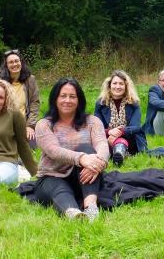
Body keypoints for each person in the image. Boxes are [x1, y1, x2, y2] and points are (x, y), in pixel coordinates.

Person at [33, 78, 109, 221]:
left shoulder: (93, 121)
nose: (67, 100)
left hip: (86, 177)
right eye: (63, 96)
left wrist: (99, 163)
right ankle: (73, 213)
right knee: (58, 186)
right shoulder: (44, 125)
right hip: (51, 177)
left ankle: (91, 208)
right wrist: (81, 159)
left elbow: (102, 145)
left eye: (72, 96)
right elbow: (53, 151)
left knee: (86, 147)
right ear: (55, 98)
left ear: (79, 100)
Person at [94, 69, 148, 166]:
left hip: (130, 138)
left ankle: (118, 152)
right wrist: (109, 132)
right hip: (107, 138)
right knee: (99, 142)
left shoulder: (134, 103)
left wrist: (119, 132)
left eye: (121, 84)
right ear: (109, 85)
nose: (118, 86)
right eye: (115, 83)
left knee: (128, 137)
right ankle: (120, 153)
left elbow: (135, 126)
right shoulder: (100, 103)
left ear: (126, 86)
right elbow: (96, 127)